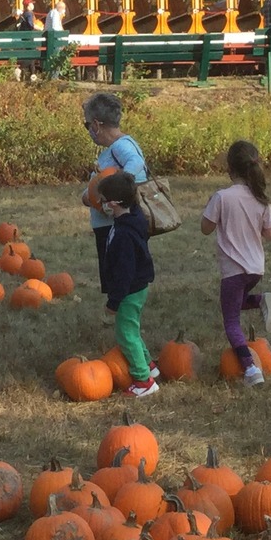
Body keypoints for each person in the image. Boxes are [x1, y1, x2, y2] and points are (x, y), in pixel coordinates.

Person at [202, 140, 271, 386]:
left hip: (233, 270)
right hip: (255, 269)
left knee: (231, 321)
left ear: (230, 168)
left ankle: (250, 369)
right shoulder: (261, 199)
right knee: (235, 304)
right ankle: (259, 299)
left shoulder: (222, 197)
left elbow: (205, 228)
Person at [95, 171, 158, 399]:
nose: (102, 206)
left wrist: (114, 301)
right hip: (137, 287)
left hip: (130, 291)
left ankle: (143, 380)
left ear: (114, 203)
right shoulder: (131, 219)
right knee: (132, 329)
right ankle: (149, 364)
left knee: (125, 334)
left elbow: (124, 273)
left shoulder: (124, 234)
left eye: (103, 201)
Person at [80, 92, 146, 272]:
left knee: (119, 278)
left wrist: (114, 189)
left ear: (96, 125)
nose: (88, 131)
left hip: (115, 227)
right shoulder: (117, 147)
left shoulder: (121, 146)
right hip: (109, 226)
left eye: (87, 125)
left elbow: (136, 163)